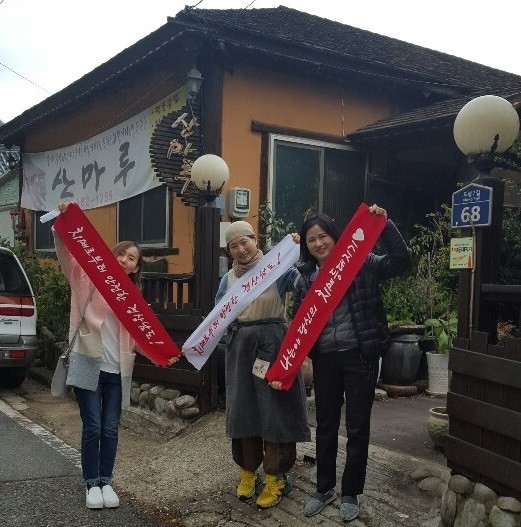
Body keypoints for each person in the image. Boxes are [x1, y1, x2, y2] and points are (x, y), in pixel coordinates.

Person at [53, 202, 177, 510]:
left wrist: (163, 356)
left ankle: (106, 481)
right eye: (120, 253)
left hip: (117, 371)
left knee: (110, 429)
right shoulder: (87, 279)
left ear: (135, 268)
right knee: (93, 426)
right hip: (88, 364)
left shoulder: (132, 299)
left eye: (131, 258)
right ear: (111, 255)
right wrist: (62, 224)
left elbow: (144, 335)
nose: (124, 259)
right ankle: (91, 483)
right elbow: (67, 255)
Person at [293, 206, 411, 522]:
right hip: (325, 358)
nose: (318, 243)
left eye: (323, 236)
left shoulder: (361, 262)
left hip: (360, 354)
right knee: (326, 425)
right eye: (311, 240)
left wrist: (384, 225)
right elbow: (299, 318)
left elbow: (401, 261)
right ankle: (324, 488)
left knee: (358, 426)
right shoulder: (305, 278)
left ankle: (350, 492)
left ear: (335, 236)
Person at [216, 220, 311, 509]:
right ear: (229, 251)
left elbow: (303, 285)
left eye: (244, 241)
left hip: (273, 346)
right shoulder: (227, 280)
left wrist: (299, 252)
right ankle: (247, 471)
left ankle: (275, 476)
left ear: (255, 240)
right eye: (234, 245)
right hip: (240, 349)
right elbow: (218, 316)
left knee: (275, 411)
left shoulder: (276, 268)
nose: (241, 249)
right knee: (243, 410)